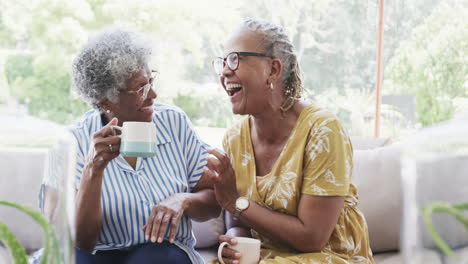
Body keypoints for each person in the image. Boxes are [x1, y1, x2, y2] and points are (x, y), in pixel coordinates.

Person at [38, 28, 220, 264]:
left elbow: (213, 203)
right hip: (94, 256)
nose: (153, 94)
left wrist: (183, 200)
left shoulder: (174, 122)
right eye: (141, 88)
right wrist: (94, 170)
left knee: (157, 257)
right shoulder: (70, 144)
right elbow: (80, 241)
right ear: (106, 101)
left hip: (161, 255)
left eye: (151, 81)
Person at [207, 19, 376, 264]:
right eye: (222, 62)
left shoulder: (322, 131)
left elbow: (312, 237)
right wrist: (236, 240)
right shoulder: (234, 139)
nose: (224, 71)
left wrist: (236, 202)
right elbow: (236, 218)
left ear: (273, 70)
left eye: (235, 59)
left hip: (327, 257)